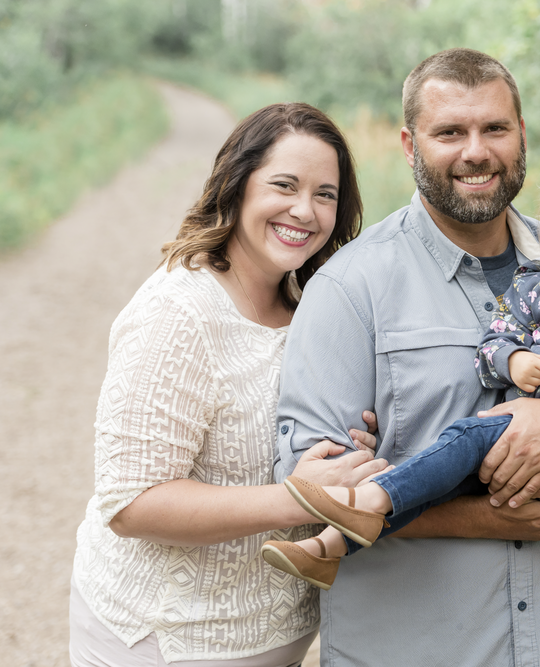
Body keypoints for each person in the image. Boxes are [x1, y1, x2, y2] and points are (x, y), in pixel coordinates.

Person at [275, 48, 540, 667]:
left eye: (494, 129)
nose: (475, 151)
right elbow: (308, 491)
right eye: (450, 131)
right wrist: (488, 518)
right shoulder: (351, 288)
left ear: (522, 135)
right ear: (409, 144)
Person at [263, 156, 540, 589]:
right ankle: (325, 548)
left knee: (465, 438)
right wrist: (513, 361)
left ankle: (367, 499)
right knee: (427, 484)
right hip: (509, 455)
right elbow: (492, 345)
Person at [69, 103, 390, 667]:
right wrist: (298, 497)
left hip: (275, 640)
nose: (304, 210)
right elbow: (131, 503)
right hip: (165, 642)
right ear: (238, 184)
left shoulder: (313, 310)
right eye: (284, 185)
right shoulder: (180, 311)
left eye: (325, 194)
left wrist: (358, 444)